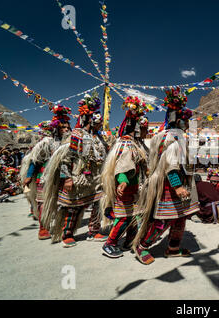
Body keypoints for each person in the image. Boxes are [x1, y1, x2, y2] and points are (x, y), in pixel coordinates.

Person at [133, 87, 200, 265]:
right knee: (163, 219)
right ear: (176, 120)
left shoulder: (178, 138)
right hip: (170, 186)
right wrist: (177, 186)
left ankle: (173, 248)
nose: (186, 124)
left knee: (180, 219)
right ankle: (142, 246)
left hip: (182, 186)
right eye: (184, 121)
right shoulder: (172, 140)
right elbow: (171, 166)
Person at [41, 93, 108, 247]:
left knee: (98, 204)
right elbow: (65, 158)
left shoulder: (100, 138)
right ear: (90, 119)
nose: (100, 124)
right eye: (97, 121)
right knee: (74, 207)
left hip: (96, 178)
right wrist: (67, 178)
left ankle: (94, 231)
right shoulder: (76, 135)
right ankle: (67, 234)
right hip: (78, 178)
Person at [100, 96, 149, 258]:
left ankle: (130, 240)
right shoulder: (127, 144)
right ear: (135, 127)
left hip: (136, 187)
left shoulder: (137, 143)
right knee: (123, 217)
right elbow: (122, 165)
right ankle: (110, 243)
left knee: (137, 215)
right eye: (143, 128)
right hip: (127, 188)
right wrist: (122, 182)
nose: (146, 131)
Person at [22, 107, 71, 240]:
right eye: (63, 127)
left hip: (63, 177)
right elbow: (35, 160)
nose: (66, 130)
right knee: (43, 202)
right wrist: (29, 176)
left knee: (62, 202)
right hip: (45, 176)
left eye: (67, 127)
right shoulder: (46, 142)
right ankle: (43, 229)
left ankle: (61, 227)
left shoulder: (69, 143)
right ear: (56, 129)